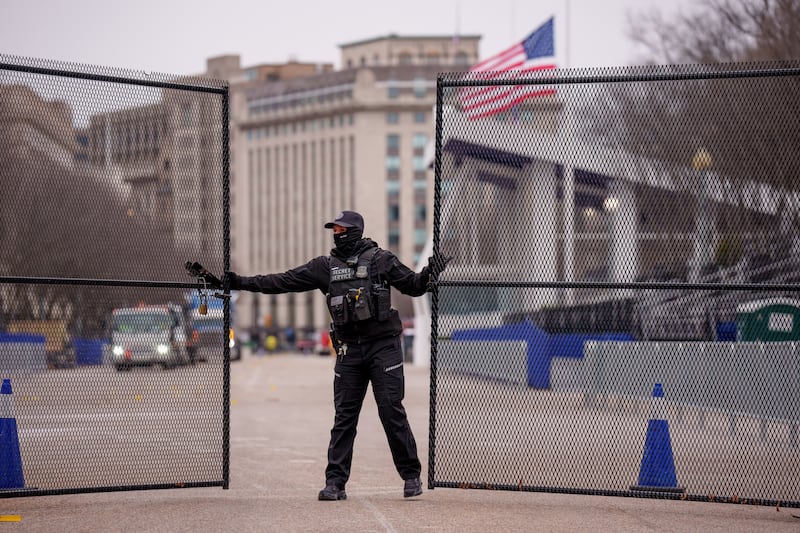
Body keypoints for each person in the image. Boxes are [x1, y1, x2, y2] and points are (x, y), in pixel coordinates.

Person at [219, 210, 450, 501]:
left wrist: (431, 272)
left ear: (356, 231)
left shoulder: (381, 260)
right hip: (349, 350)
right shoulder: (324, 267)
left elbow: (414, 287)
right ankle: (335, 483)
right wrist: (238, 281)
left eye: (341, 230)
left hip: (384, 347)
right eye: (334, 230)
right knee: (344, 418)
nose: (336, 235)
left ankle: (411, 475)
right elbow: (281, 281)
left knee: (391, 411)